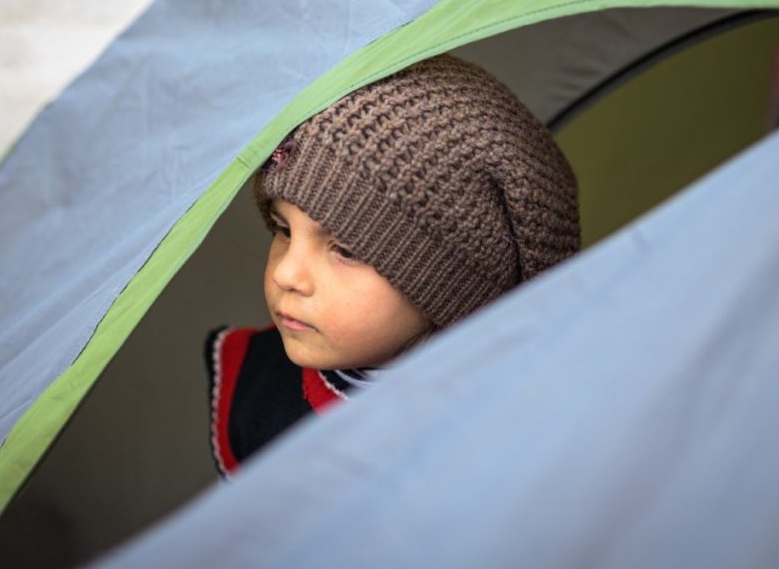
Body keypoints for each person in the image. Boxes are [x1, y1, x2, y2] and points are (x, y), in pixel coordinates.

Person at [205, 54, 581, 478]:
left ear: (449, 286)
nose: (285, 274)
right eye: (283, 230)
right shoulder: (256, 390)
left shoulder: (516, 446)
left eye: (346, 249)